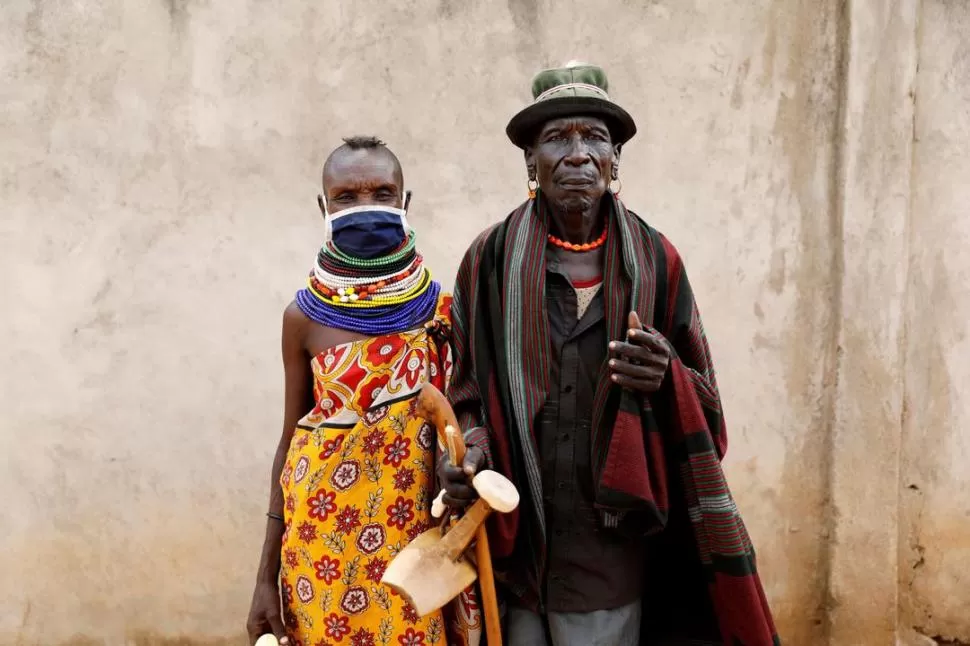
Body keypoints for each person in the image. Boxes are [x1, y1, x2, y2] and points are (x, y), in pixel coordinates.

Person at [441, 64, 780, 645]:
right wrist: (469, 455)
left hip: (612, 549)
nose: (578, 154)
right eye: (556, 139)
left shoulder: (656, 260)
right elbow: (467, 390)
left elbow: (707, 408)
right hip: (516, 542)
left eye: (595, 137)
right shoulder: (490, 260)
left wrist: (666, 376)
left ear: (615, 157)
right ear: (530, 161)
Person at [246, 136, 479, 646]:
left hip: (416, 547)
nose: (364, 208)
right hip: (321, 545)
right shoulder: (303, 318)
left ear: (406, 203)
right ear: (323, 207)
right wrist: (265, 577)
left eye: (382, 192)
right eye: (347, 197)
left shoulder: (443, 311)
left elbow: (468, 420)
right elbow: (290, 444)